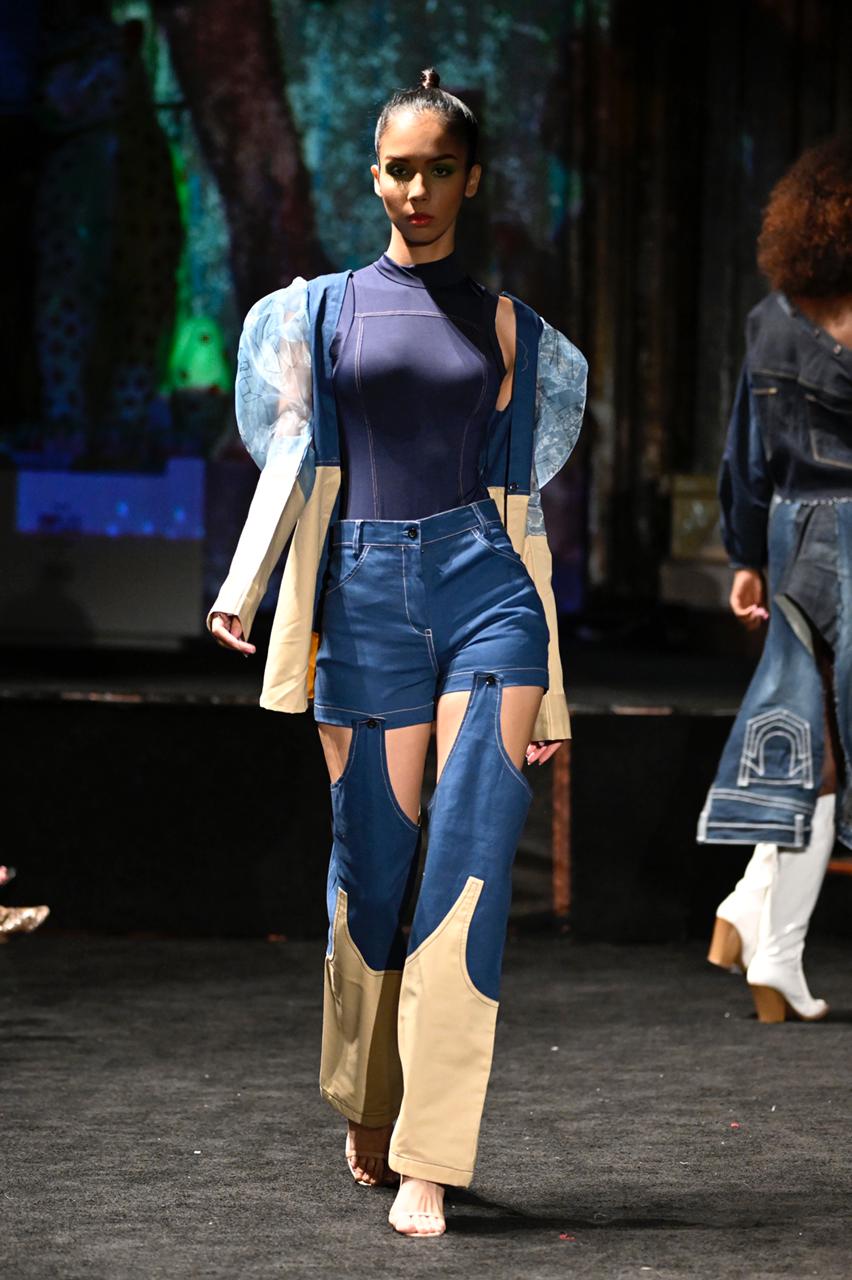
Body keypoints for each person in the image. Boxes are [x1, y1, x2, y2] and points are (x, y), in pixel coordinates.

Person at [208, 68, 587, 1235]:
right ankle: (368, 1096)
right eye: (399, 169)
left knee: (468, 874)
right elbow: (293, 447)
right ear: (374, 176)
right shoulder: (317, 311)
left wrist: (554, 693)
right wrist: (244, 585)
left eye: (440, 170)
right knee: (372, 871)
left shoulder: (513, 329)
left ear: (471, 180)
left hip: (489, 597)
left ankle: (432, 1150)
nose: (417, 190)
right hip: (364, 599)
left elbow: (524, 511)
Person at [699, 136, 852, 1024]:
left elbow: (744, 456)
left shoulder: (771, 319)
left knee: (805, 727)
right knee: (823, 743)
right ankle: (775, 948)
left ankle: (750, 914)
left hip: (797, 536)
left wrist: (746, 556)